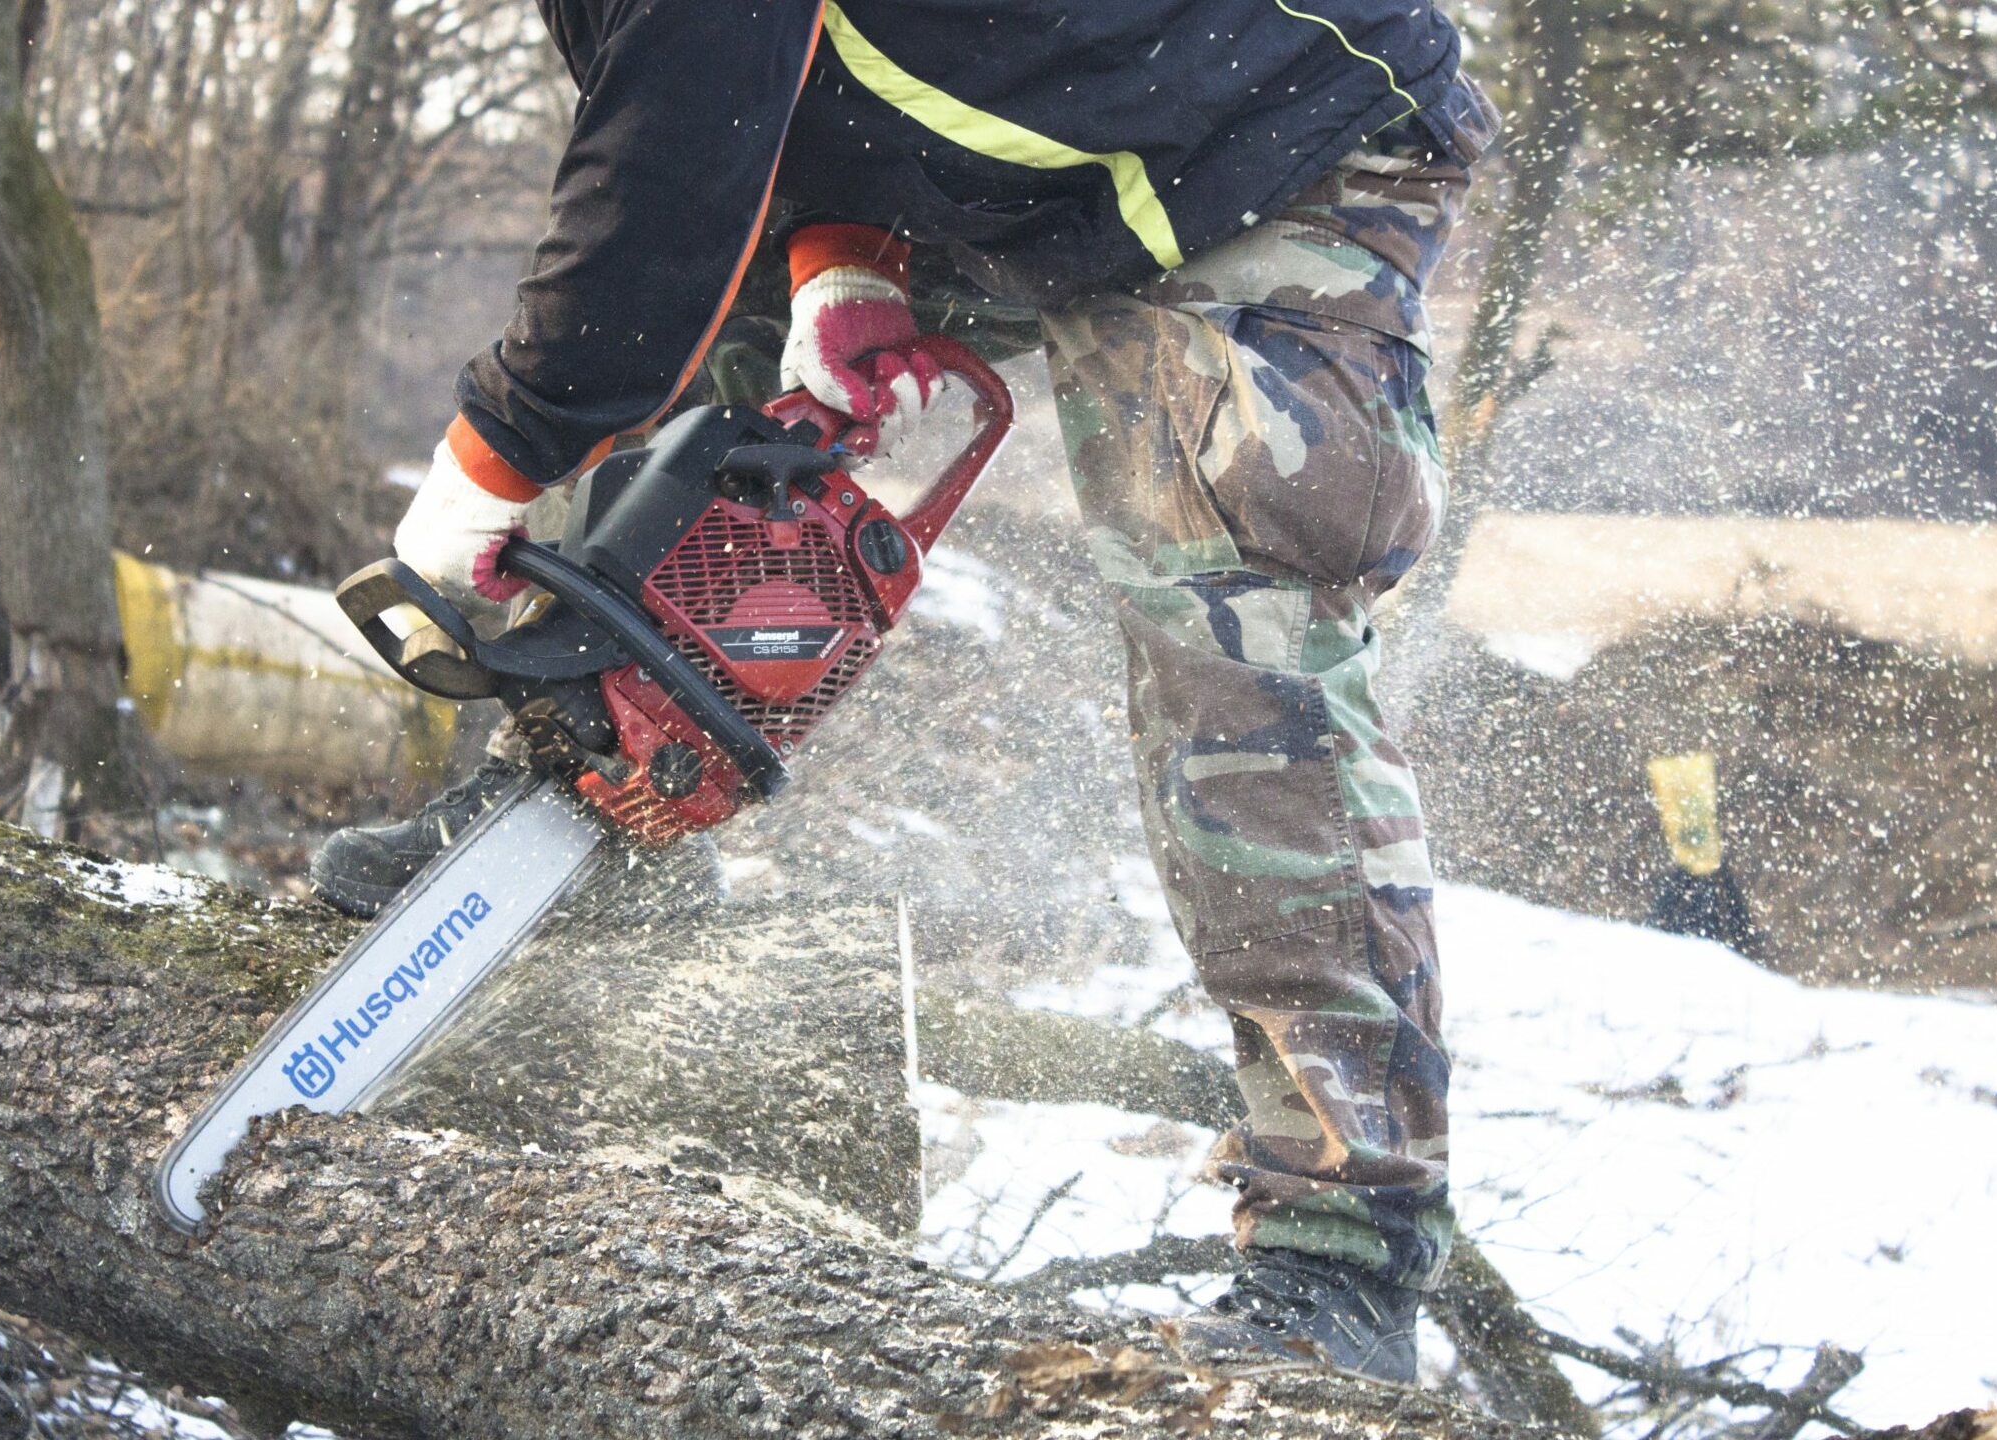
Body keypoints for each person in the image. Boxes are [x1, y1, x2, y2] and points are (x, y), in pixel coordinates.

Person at [312, 0, 1498, 1384]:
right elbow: (783, 94)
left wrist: (495, 455)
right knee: (740, 364)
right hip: (1056, 143)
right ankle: (596, 793)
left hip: (1271, 124)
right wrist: (844, 262)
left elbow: (662, 184)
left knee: (1225, 602)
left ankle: (1344, 1253)